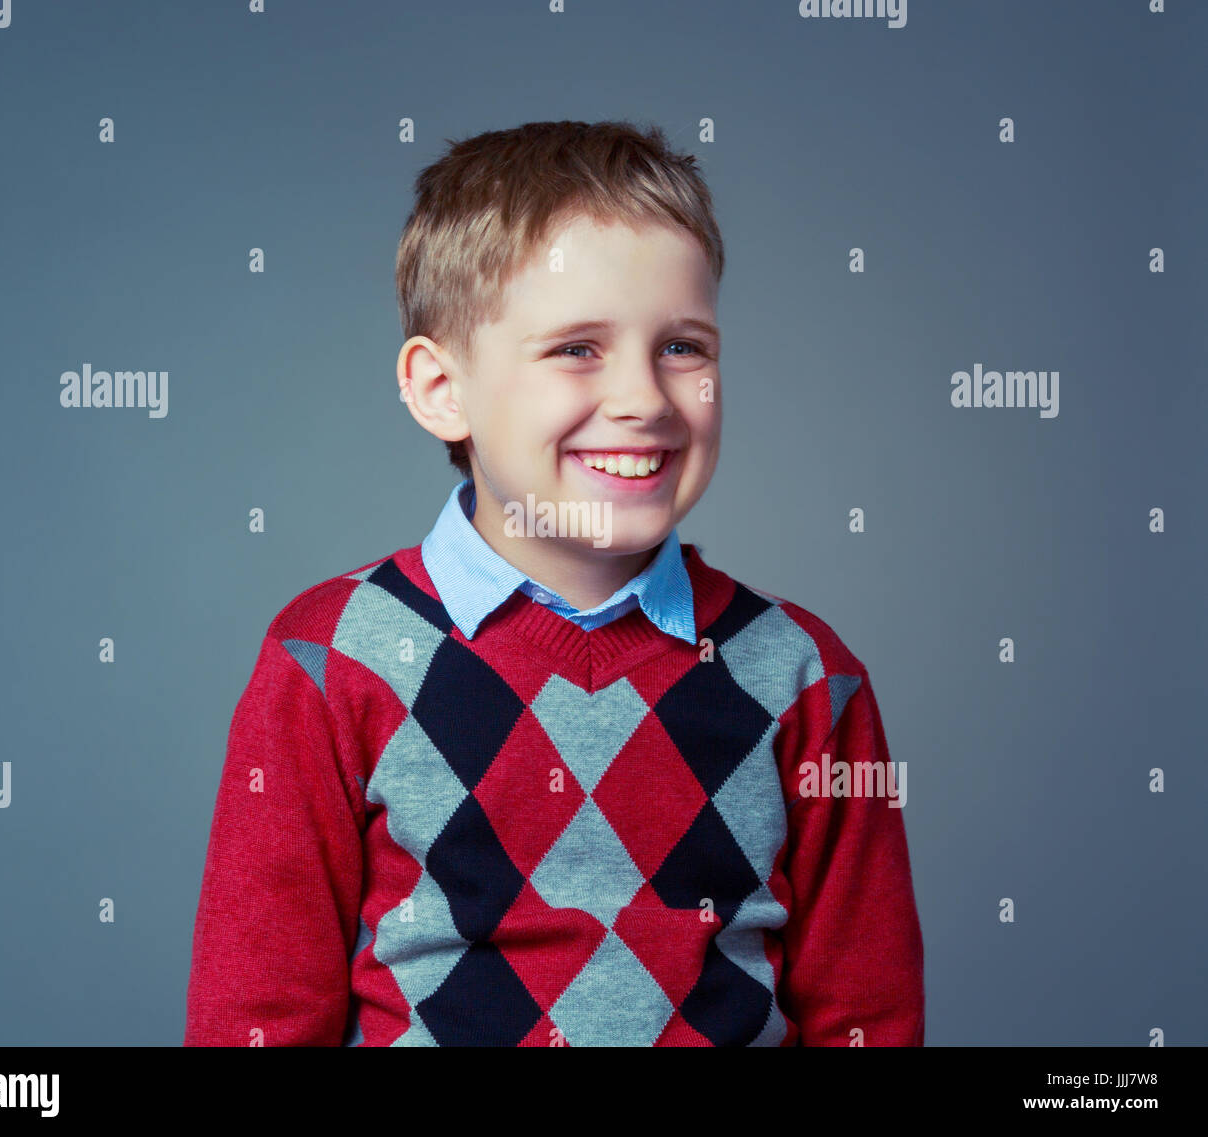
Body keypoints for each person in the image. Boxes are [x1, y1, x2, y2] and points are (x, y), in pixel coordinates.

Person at [183, 119, 924, 1046]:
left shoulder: (807, 674)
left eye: (683, 347)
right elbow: (254, 1020)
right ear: (440, 388)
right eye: (578, 348)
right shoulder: (332, 656)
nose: (644, 399)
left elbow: (869, 1017)